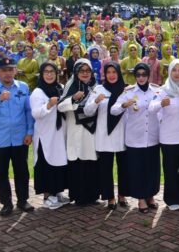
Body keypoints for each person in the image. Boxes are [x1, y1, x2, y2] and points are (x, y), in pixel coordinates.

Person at [0, 57, 35, 216]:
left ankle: (22, 200)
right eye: (4, 70)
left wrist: (29, 132)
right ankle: (6, 203)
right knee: (1, 172)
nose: (8, 73)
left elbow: (28, 111)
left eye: (11, 69)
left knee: (22, 171)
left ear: (15, 70)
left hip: (20, 137)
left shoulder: (23, 87)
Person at [112, 63, 161, 213]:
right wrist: (123, 105)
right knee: (137, 170)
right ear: (135, 77)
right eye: (138, 75)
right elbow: (113, 110)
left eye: (144, 74)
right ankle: (140, 199)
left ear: (148, 75)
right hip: (135, 138)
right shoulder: (128, 92)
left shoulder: (156, 91)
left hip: (152, 137)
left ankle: (150, 196)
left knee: (152, 169)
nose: (141, 77)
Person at [150, 59, 179, 211]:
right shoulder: (163, 90)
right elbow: (151, 108)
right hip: (169, 137)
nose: (177, 73)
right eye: (174, 70)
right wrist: (160, 104)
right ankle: (172, 199)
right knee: (170, 169)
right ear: (169, 72)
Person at [84, 62, 128, 209]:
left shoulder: (126, 89)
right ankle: (110, 196)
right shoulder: (99, 89)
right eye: (108, 72)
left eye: (114, 72)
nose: (111, 75)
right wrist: (96, 101)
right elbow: (87, 111)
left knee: (123, 167)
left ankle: (122, 195)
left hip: (122, 134)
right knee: (106, 168)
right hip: (104, 134)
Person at [58, 59, 99, 206]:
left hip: (91, 131)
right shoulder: (71, 85)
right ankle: (79, 196)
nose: (85, 74)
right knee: (78, 162)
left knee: (90, 162)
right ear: (76, 72)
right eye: (82, 71)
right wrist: (73, 99)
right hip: (76, 129)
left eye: (88, 71)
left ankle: (92, 195)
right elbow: (60, 106)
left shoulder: (95, 86)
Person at [30, 62, 69, 210]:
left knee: (58, 163)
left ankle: (57, 192)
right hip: (45, 135)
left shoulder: (60, 88)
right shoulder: (38, 92)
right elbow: (36, 113)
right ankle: (47, 196)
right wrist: (49, 105)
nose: (49, 74)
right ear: (41, 74)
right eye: (46, 71)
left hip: (59, 134)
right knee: (46, 164)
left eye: (52, 71)